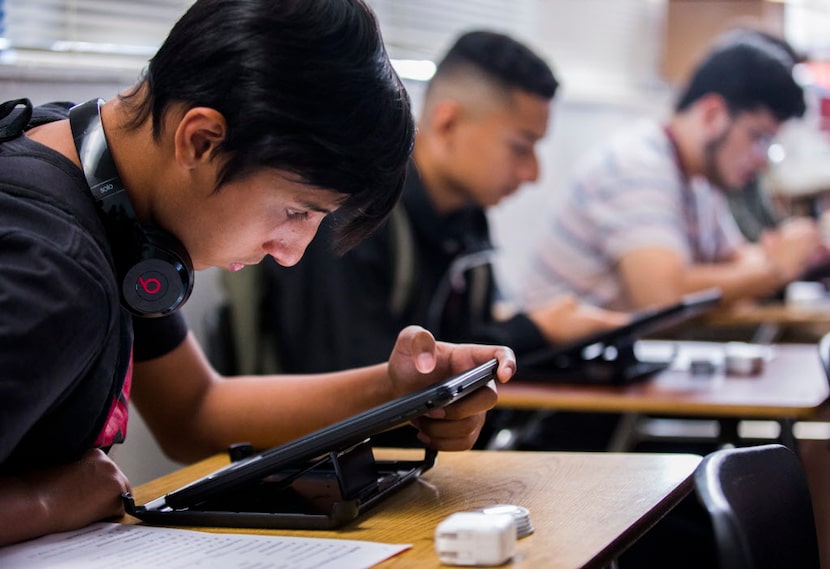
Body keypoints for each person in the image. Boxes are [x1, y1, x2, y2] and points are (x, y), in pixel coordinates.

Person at [0, 0, 517, 547]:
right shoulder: (53, 270)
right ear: (200, 140)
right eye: (297, 211)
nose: (292, 252)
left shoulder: (91, 175)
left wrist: (398, 391)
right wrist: (49, 500)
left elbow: (194, 410)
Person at [231, 30, 628, 379]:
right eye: (520, 148)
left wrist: (550, 330)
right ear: (448, 123)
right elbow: (360, 374)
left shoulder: (466, 216)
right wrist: (533, 331)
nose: (533, 173)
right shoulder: (352, 211)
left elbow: (465, 337)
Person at [521, 28, 827, 313]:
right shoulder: (637, 165)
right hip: (549, 365)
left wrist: (793, 252)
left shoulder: (698, 179)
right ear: (712, 114)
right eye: (757, 137)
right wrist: (775, 268)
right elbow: (662, 296)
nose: (762, 159)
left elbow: (733, 260)